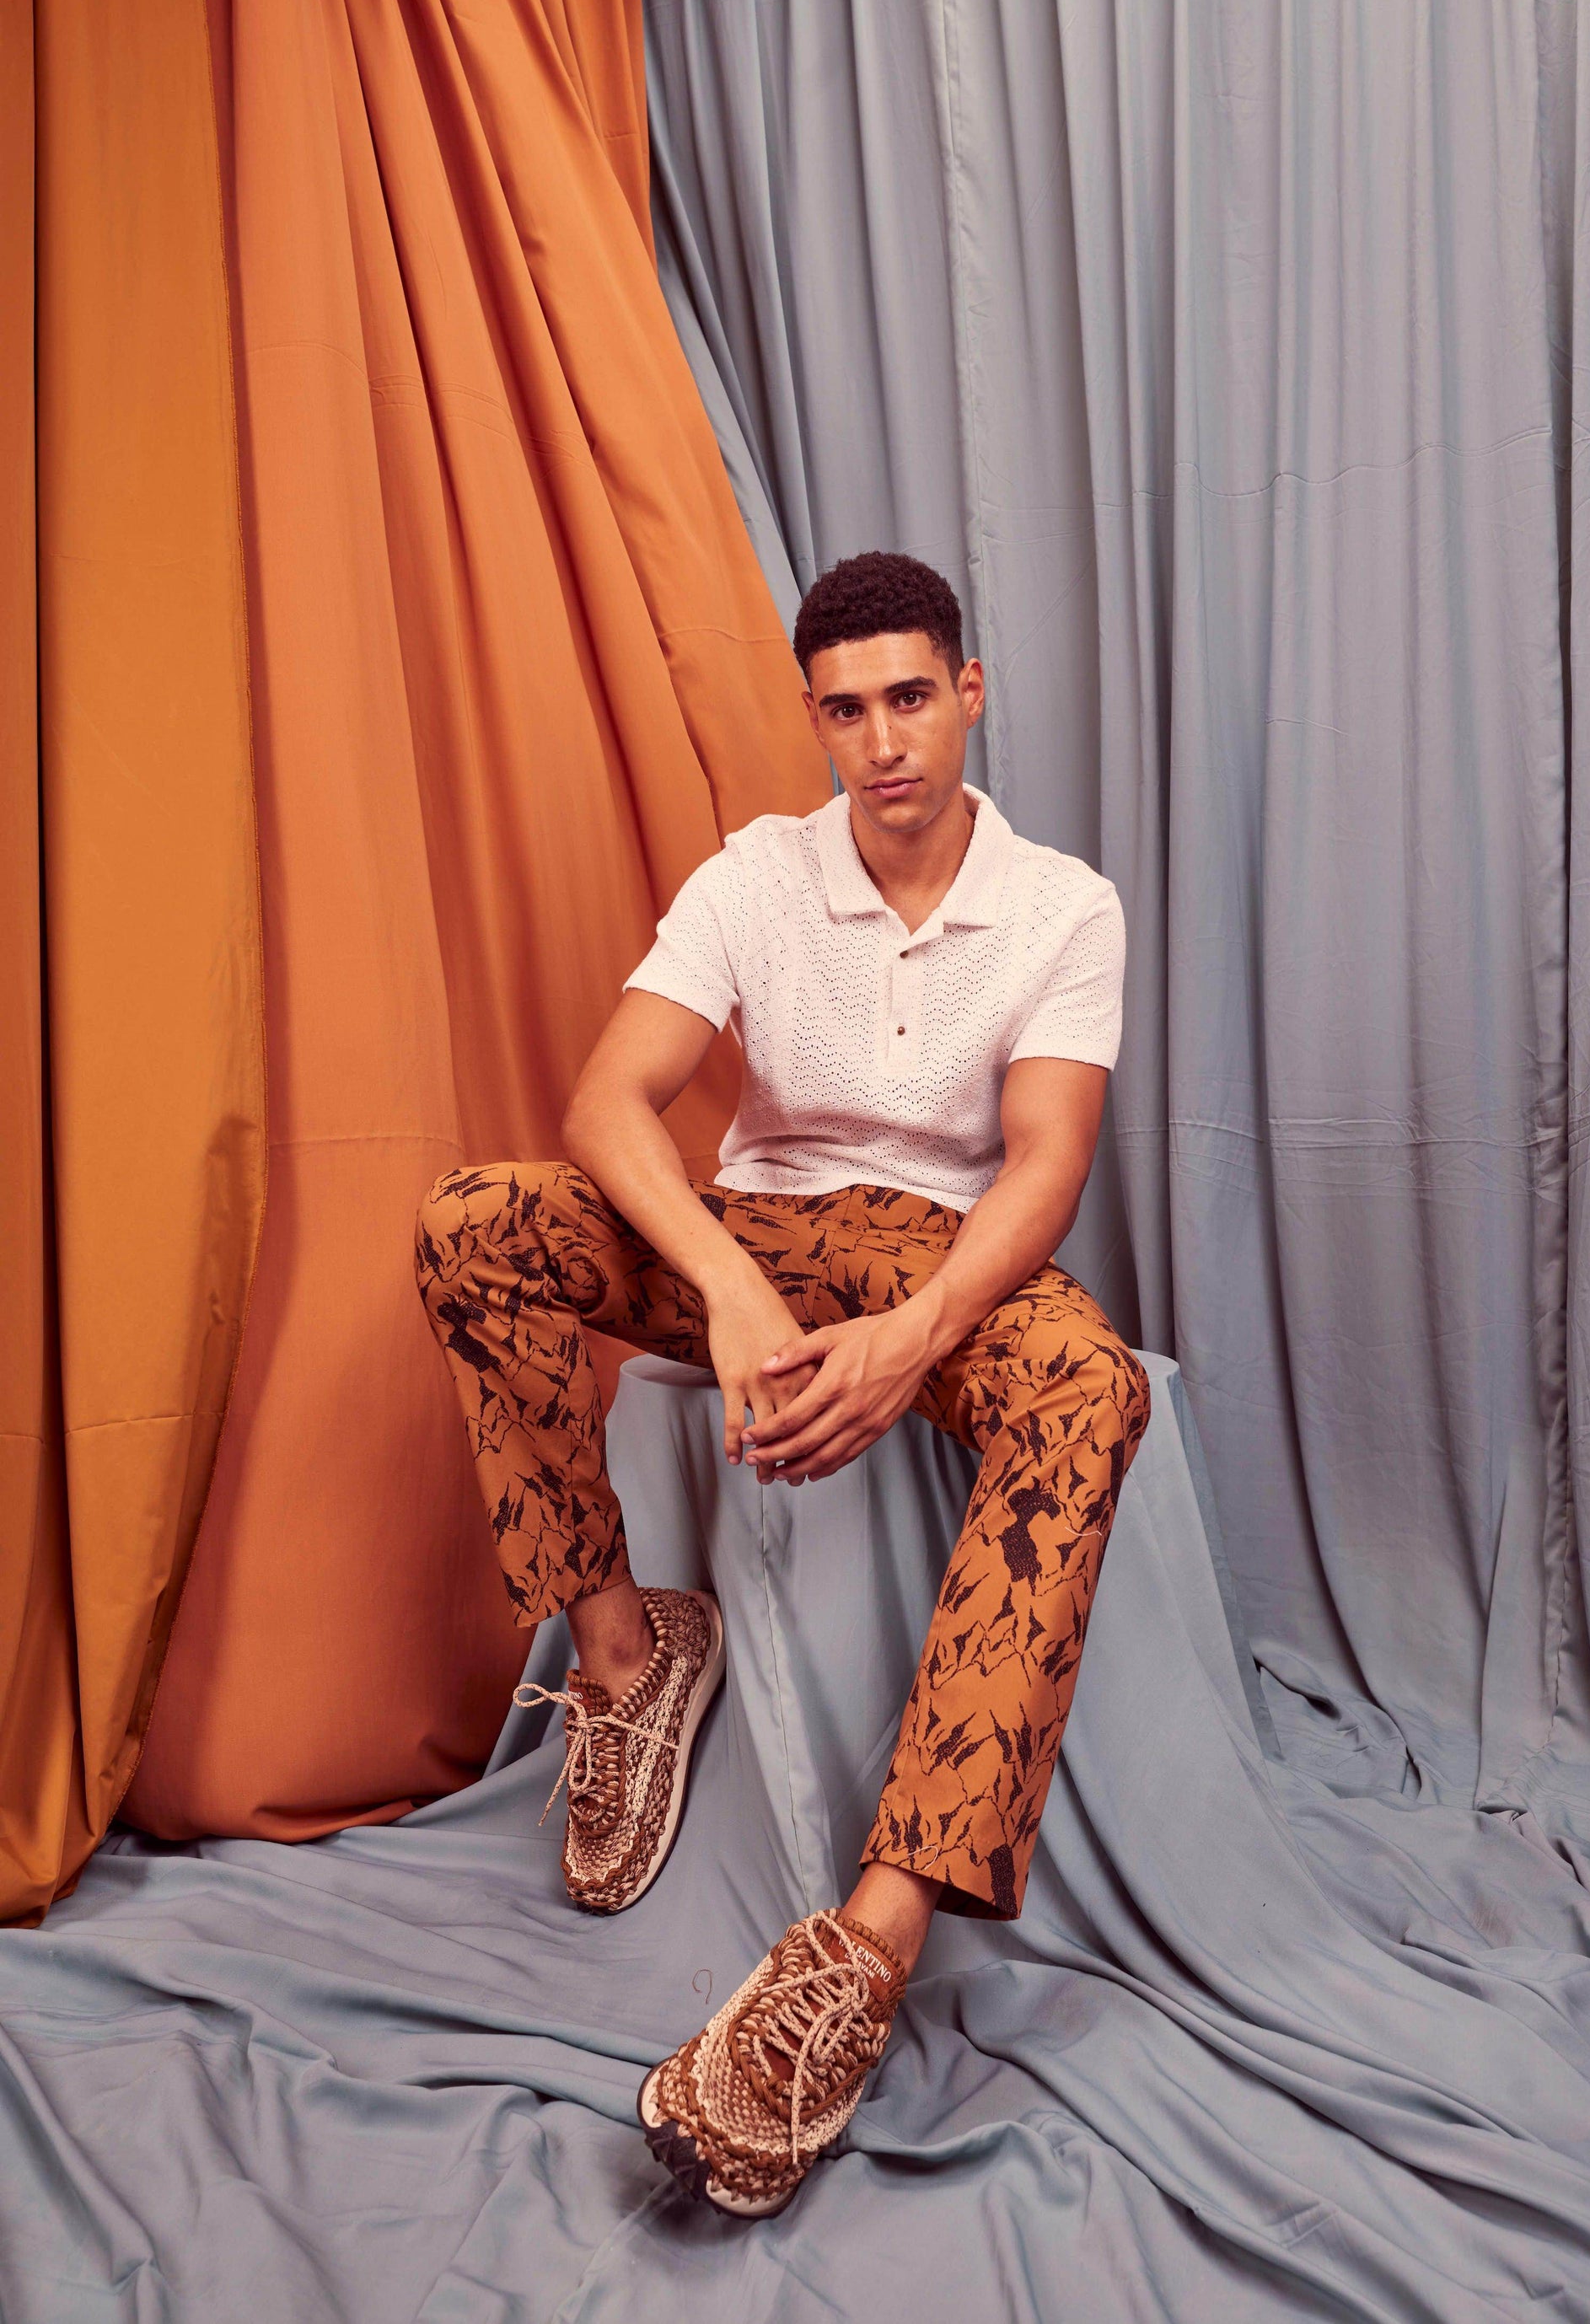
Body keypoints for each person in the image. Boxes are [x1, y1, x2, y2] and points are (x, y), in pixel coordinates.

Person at [415, 550, 1152, 2219]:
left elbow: (1048, 1158)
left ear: (968, 693)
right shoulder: (757, 872)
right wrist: (730, 1287)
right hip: (753, 1232)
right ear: (815, 719)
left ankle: (869, 1945)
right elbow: (610, 1101)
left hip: (943, 1256)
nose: (881, 740)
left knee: (1090, 1388)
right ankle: (627, 1655)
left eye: (910, 697)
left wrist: (920, 1331)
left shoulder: (1063, 905)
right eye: (845, 709)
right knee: (475, 1224)